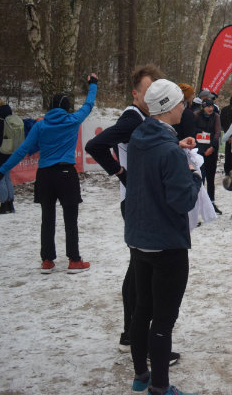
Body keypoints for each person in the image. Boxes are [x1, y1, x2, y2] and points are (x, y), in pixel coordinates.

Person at [85, 64, 184, 364]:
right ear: (136, 94)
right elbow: (95, 145)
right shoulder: (132, 118)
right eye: (148, 90)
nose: (154, 95)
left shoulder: (148, 120)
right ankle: (135, 336)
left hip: (142, 203)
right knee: (140, 273)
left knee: (140, 270)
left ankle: (133, 336)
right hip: (136, 203)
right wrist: (122, 174)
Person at [124, 79, 202, 395]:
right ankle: (160, 386)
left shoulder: (139, 137)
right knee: (163, 319)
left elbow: (153, 166)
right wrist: (195, 176)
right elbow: (183, 201)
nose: (185, 107)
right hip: (166, 243)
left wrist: (176, 147)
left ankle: (141, 375)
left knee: (142, 309)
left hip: (139, 237)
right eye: (181, 102)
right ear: (169, 107)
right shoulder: (169, 151)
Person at [0, 75, 98, 273]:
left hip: (45, 176)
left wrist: (1, 172)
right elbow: (89, 104)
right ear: (67, 108)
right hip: (66, 173)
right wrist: (93, 83)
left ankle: (47, 261)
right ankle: (74, 260)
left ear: (50, 107)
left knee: (47, 219)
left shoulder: (40, 125)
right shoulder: (73, 120)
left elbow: (22, 150)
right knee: (70, 219)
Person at [193, 98, 222, 214]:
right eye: (208, 107)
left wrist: (213, 147)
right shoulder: (196, 115)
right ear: (203, 107)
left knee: (210, 178)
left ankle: (212, 203)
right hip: (199, 149)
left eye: (211, 106)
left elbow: (217, 133)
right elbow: (192, 130)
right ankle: (199, 204)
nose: (210, 109)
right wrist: (201, 132)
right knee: (200, 177)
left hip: (211, 150)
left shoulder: (216, 116)